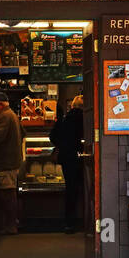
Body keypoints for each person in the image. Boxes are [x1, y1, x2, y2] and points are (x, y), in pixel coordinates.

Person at [50, 96, 85, 233]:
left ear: (73, 106)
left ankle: (69, 223)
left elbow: (52, 136)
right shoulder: (85, 119)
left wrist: (63, 146)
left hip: (67, 158)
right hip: (81, 158)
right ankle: (87, 220)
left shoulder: (65, 119)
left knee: (71, 189)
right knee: (86, 189)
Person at [0, 91, 25, 235]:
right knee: (10, 194)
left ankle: (10, 226)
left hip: (6, 162)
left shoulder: (4, 116)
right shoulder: (12, 115)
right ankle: (11, 224)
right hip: (13, 161)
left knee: (7, 195)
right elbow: (24, 133)